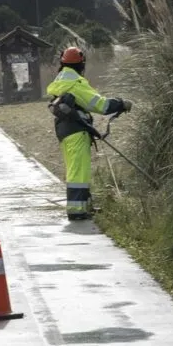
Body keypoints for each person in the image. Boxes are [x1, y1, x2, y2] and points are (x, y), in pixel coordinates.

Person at [46, 47, 133, 220]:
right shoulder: (76, 83)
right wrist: (121, 103)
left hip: (65, 131)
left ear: (62, 64)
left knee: (76, 170)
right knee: (78, 172)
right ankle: (77, 211)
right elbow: (101, 105)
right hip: (76, 132)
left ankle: (84, 206)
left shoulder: (60, 81)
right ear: (81, 65)